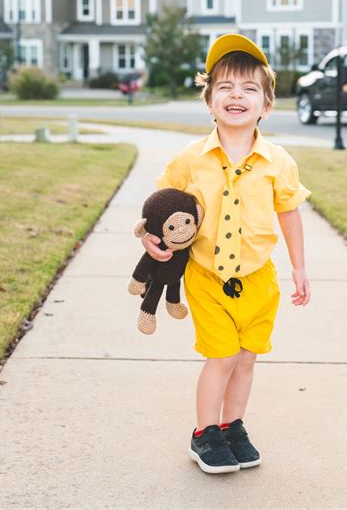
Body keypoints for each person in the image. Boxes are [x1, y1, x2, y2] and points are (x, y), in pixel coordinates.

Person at [142, 33, 311, 474]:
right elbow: (159, 204)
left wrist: (299, 267)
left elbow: (289, 212)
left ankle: (233, 426)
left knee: (247, 360)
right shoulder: (190, 159)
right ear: (210, 101)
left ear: (266, 105)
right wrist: (150, 239)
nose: (237, 96)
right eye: (226, 88)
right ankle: (204, 434)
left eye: (249, 89)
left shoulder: (278, 161)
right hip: (206, 278)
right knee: (221, 356)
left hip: (259, 280)